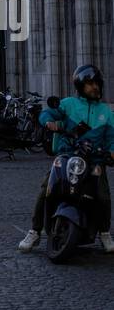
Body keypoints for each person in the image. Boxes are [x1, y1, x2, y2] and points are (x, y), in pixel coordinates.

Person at [19, 63, 114, 254]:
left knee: (103, 195)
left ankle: (104, 232)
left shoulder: (106, 112)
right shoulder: (68, 104)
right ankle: (35, 231)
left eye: (97, 83)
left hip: (94, 159)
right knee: (47, 188)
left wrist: (111, 151)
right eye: (89, 84)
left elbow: (112, 138)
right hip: (67, 154)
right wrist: (49, 123)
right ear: (80, 86)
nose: (94, 87)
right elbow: (48, 113)